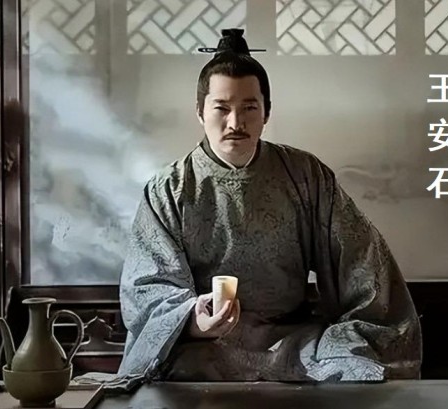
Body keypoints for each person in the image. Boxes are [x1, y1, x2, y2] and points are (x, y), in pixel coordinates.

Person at [117, 28, 421, 382]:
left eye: (249, 108)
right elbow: (149, 288)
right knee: (171, 376)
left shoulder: (305, 175)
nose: (236, 123)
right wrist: (194, 320)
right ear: (200, 112)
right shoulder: (169, 189)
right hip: (207, 344)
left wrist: (359, 327)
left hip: (292, 341)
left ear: (266, 112)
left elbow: (360, 257)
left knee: (353, 366)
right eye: (221, 108)